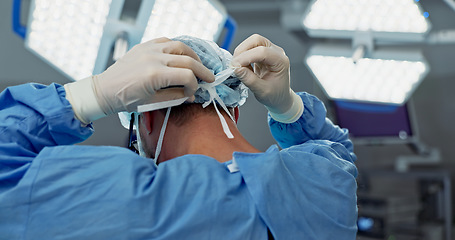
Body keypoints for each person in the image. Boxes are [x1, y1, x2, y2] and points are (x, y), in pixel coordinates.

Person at [0, 34, 358, 239]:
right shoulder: (325, 182)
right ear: (233, 110)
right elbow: (337, 150)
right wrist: (288, 108)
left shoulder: (128, 199)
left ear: (148, 121)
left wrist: (95, 93)